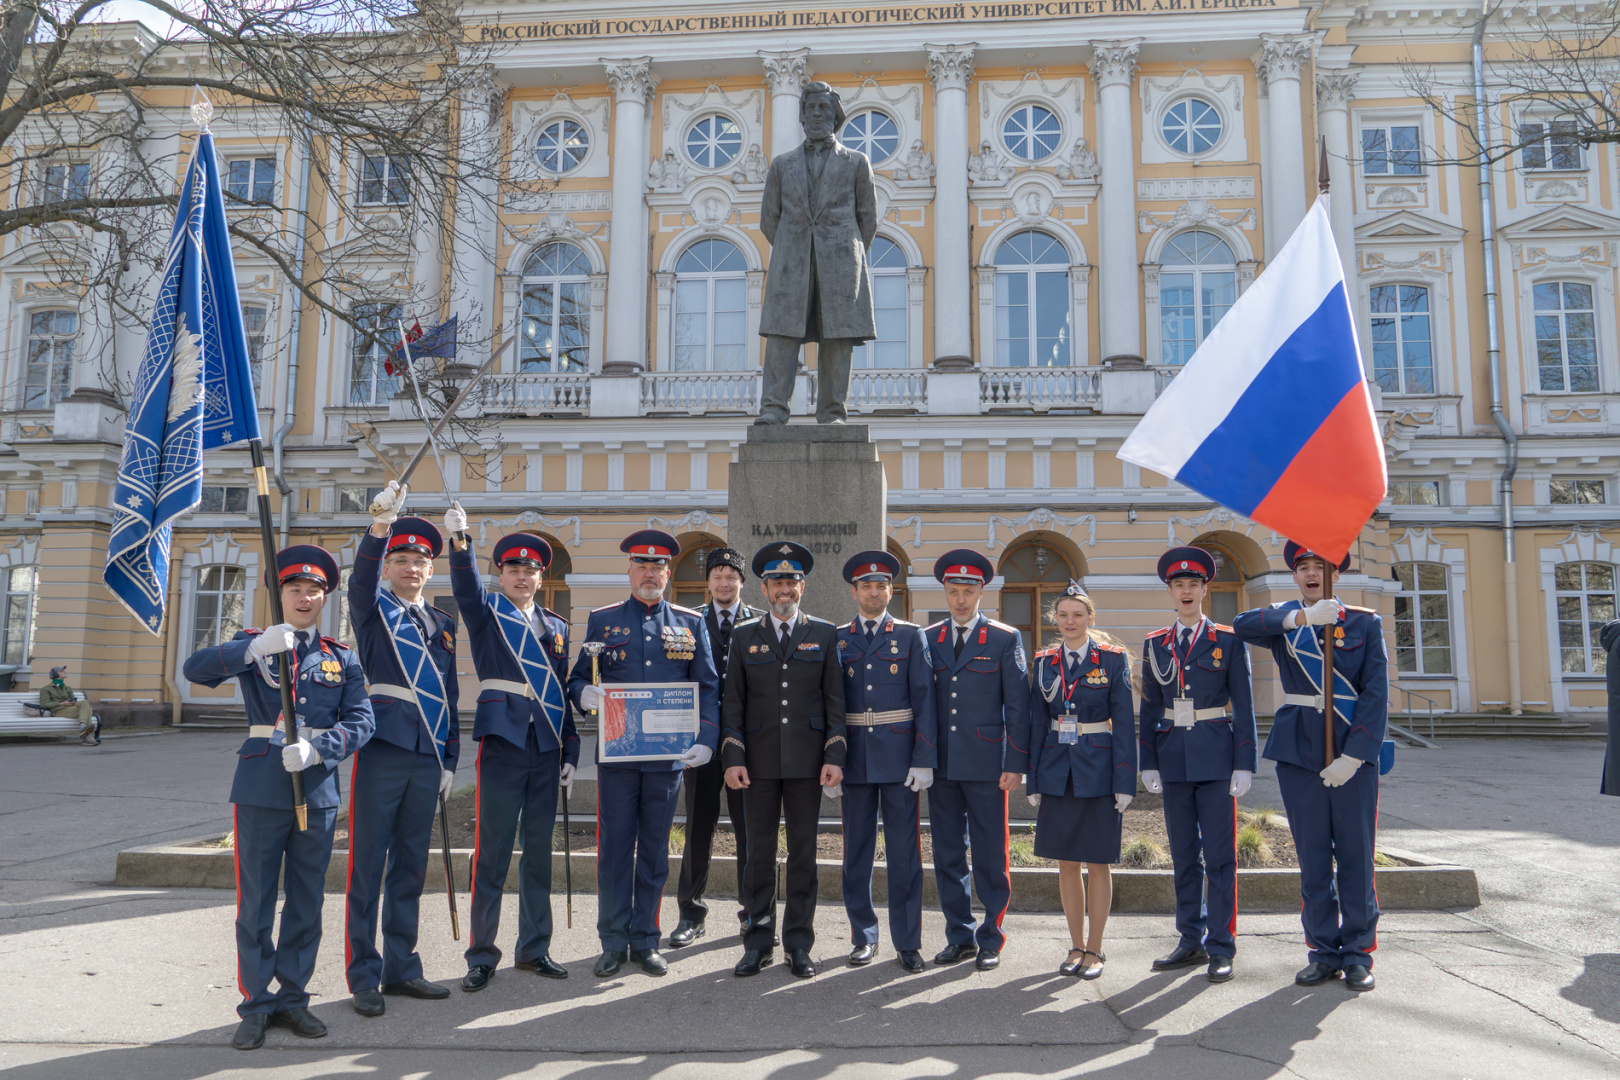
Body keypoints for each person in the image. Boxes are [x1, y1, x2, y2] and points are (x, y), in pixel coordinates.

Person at [183, 545, 374, 1051]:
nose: (306, 596)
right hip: (263, 787)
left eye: (315, 590)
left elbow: (362, 721)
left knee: (307, 902)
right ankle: (256, 1004)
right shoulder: (257, 644)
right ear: (279, 594)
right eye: (295, 589)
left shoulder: (341, 656)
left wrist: (318, 749)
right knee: (258, 902)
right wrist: (252, 649)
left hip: (317, 787)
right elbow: (195, 669)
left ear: (325, 597)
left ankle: (293, 998)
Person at [1233, 542, 1388, 993]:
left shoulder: (1362, 621)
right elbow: (1243, 625)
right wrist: (1301, 618)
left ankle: (1358, 954)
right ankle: (1322, 952)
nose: (1310, 574)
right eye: (1303, 567)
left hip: (1350, 753)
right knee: (1313, 858)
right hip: (1299, 749)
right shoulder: (1285, 621)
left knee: (1356, 857)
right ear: (1295, 575)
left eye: (1319, 566)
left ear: (1334, 572)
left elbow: (1376, 693)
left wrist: (1355, 755)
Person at [567, 530, 720, 978]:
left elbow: (708, 687)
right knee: (615, 850)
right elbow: (577, 678)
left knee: (654, 852)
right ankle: (613, 942)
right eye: (642, 566)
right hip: (617, 758)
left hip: (666, 760)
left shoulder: (691, 624)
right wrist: (585, 694)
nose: (650, 573)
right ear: (629, 571)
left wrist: (706, 740)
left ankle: (647, 939)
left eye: (658, 567)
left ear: (668, 573)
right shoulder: (603, 620)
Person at [447, 508, 579, 992]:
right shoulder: (486, 611)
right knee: (493, 852)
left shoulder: (556, 625)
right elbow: (463, 587)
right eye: (513, 569)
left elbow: (561, 691)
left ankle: (534, 948)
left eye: (531, 570)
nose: (522, 576)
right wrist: (459, 541)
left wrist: (569, 751)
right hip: (503, 740)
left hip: (544, 746)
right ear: (500, 574)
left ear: (542, 578)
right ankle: (482, 955)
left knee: (539, 853)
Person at [342, 481, 460, 1016]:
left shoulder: (441, 623)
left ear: (431, 570)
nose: (412, 567)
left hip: (427, 754)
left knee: (411, 865)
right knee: (368, 865)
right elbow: (358, 583)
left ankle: (401, 967)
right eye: (402, 558)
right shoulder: (372, 611)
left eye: (421, 560)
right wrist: (379, 528)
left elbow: (450, 694)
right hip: (384, 748)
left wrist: (450, 761)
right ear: (388, 566)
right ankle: (363, 975)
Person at [722, 542, 846, 977]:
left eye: (792, 581)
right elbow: (732, 705)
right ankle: (757, 941)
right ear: (765, 587)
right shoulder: (743, 636)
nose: (785, 589)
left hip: (808, 766)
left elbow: (835, 703)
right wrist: (732, 758)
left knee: (803, 855)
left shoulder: (826, 634)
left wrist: (834, 755)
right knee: (757, 855)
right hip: (755, 766)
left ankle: (798, 942)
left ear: (803, 586)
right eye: (778, 581)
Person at [1138, 547, 1256, 983]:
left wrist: (1245, 762)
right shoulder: (1155, 644)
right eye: (1178, 585)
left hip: (1216, 758)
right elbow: (1150, 708)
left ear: (1206, 589)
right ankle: (1190, 938)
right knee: (1184, 855)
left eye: (1193, 584)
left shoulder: (1227, 640)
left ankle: (1221, 945)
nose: (1186, 592)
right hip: (1172, 760)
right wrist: (1146, 759)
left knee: (1221, 857)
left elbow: (1244, 707)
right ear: (1170, 592)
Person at [925, 549, 1029, 971]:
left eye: (968, 591)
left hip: (988, 764)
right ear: (946, 593)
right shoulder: (928, 638)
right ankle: (959, 935)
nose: (961, 600)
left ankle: (991, 937)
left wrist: (1016, 761)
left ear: (981, 591)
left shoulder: (1005, 638)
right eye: (954, 591)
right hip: (942, 765)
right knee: (948, 853)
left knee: (990, 854)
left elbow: (1018, 707)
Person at [1027, 581, 1136, 980]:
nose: (1070, 621)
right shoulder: (1043, 662)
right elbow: (1038, 723)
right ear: (1054, 620)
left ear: (1091, 618)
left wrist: (1126, 781)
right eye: (1063, 615)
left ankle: (1096, 948)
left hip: (1099, 771)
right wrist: (1033, 780)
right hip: (1057, 769)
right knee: (1066, 861)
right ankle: (1075, 946)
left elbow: (1124, 724)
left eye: (1078, 614)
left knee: (1098, 860)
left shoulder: (1112, 660)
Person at [835, 550, 936, 973]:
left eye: (881, 586)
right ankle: (863, 935)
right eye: (866, 586)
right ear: (854, 592)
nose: (874, 593)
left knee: (904, 854)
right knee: (855, 852)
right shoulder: (837, 638)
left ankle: (907, 941)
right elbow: (830, 705)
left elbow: (925, 701)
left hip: (899, 761)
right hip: (855, 758)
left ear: (891, 591)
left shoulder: (912, 636)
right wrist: (832, 760)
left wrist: (923, 758)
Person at [756, 80, 879, 425]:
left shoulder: (856, 162)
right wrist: (791, 249)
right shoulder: (782, 165)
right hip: (791, 261)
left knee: (836, 337)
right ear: (801, 116)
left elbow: (868, 218)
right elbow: (770, 219)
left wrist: (845, 252)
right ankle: (773, 408)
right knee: (782, 335)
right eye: (810, 108)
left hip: (840, 261)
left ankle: (832, 411)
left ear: (836, 117)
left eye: (824, 108)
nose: (816, 114)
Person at [671, 545, 759, 948]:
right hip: (701, 743)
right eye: (717, 576)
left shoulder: (759, 622)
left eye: (731, 577)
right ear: (708, 582)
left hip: (747, 746)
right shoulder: (687, 623)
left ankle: (753, 911)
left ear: (742, 582)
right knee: (698, 829)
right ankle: (691, 913)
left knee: (750, 831)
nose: (724, 583)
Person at [41, 665, 97, 745]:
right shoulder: (46, 689)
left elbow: (73, 699)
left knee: (85, 703)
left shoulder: (67, 688)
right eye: (61, 671)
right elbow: (44, 704)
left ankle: (83, 727)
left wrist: (73, 702)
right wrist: (61, 703)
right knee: (88, 710)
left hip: (70, 709)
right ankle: (88, 737)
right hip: (58, 711)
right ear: (55, 674)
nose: (64, 672)